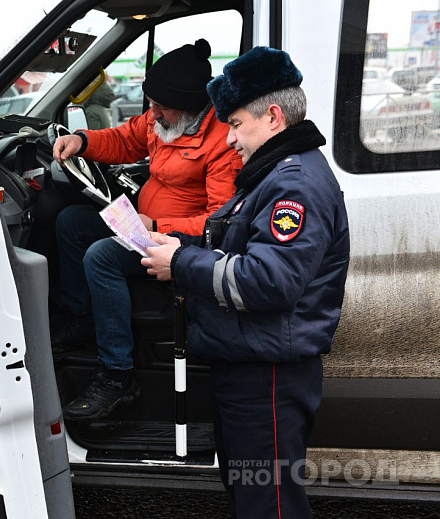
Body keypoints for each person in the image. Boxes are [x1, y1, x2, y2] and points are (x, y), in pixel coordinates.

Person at [142, 47, 350, 518]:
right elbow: (234, 243)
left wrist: (180, 264)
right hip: (249, 361)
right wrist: (177, 243)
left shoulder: (293, 184)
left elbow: (269, 282)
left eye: (235, 124)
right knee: (251, 498)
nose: (230, 139)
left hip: (268, 374)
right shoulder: (272, 175)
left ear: (273, 117)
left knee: (269, 504)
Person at [51, 39, 242, 421]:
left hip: (177, 242)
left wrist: (159, 226)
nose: (151, 114)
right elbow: (125, 139)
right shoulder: (161, 120)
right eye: (151, 104)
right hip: (142, 226)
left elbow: (220, 221)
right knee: (71, 222)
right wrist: (82, 141)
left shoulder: (222, 141)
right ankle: (84, 320)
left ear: (190, 107)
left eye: (160, 107)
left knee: (101, 256)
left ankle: (117, 375)